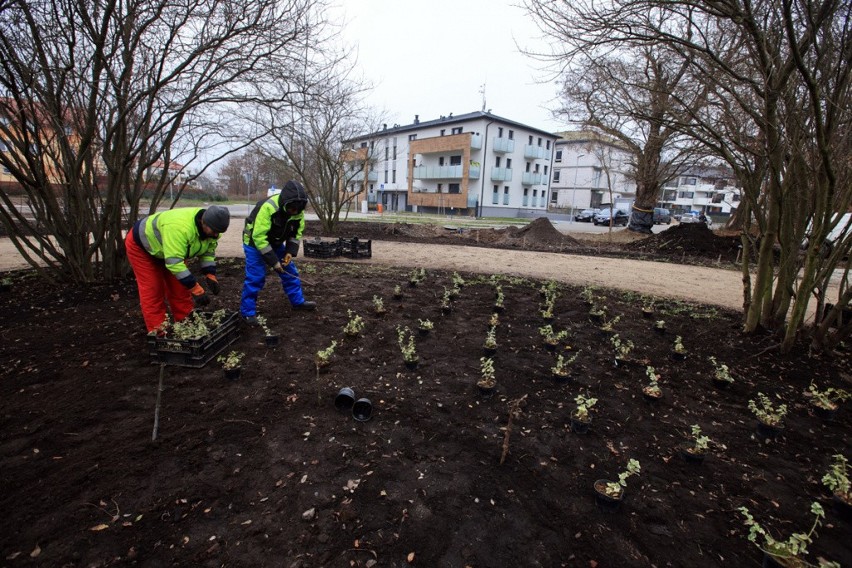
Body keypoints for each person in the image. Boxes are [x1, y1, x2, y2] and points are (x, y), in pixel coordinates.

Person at [125, 205, 230, 333]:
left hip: (171, 250)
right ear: (203, 222)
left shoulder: (213, 230)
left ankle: (185, 324)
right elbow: (174, 264)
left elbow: (208, 252)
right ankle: (159, 333)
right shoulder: (179, 228)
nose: (215, 235)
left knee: (179, 288)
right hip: (143, 248)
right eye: (213, 231)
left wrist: (210, 274)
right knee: (153, 290)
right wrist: (196, 289)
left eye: (218, 232)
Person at [240, 179, 316, 324]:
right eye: (291, 209)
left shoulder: (297, 211)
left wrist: (289, 252)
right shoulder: (268, 207)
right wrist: (274, 262)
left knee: (290, 271)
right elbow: (259, 237)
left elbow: (296, 233)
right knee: (256, 276)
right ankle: (247, 313)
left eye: (297, 210)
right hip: (254, 242)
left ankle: (298, 302)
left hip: (275, 241)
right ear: (284, 203)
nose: (294, 212)